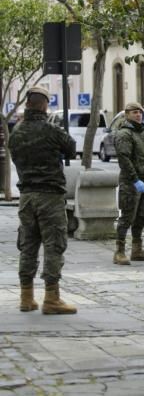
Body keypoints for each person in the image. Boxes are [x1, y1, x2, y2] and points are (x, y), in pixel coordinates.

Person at [8, 86, 77, 315]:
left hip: (26, 197)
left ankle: (26, 297)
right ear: (45, 105)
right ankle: (51, 298)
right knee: (54, 245)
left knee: (28, 246)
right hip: (50, 195)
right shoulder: (51, 130)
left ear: (27, 104)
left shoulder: (16, 132)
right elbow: (71, 148)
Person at [113, 101, 144, 265]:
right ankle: (119, 251)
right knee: (127, 216)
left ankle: (137, 249)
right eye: (134, 112)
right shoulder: (124, 134)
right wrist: (135, 179)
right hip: (131, 181)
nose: (138, 114)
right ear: (127, 114)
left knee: (142, 216)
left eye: (139, 112)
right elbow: (124, 159)